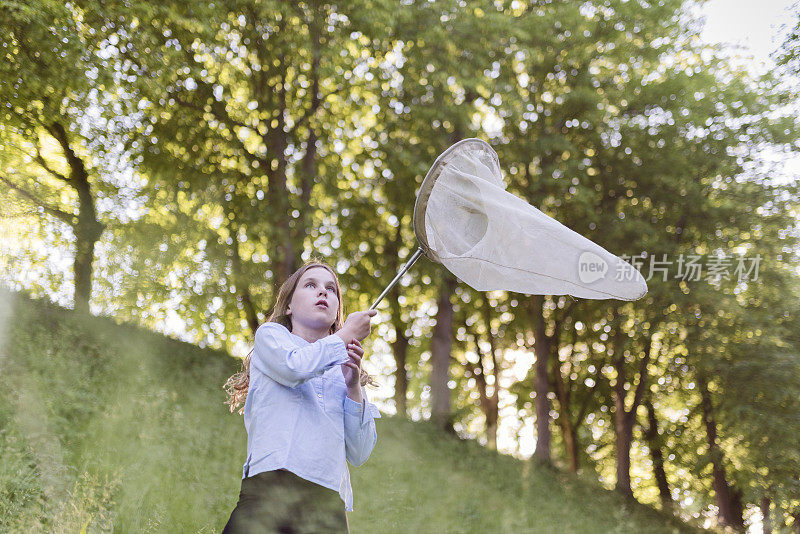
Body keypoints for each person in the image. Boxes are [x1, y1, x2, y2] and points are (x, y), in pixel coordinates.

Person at [222, 261, 382, 533]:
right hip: (270, 490)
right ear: (289, 306)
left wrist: (353, 387)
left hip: (326, 505)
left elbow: (359, 452)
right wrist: (346, 335)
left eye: (331, 289)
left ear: (336, 310)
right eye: (311, 285)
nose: (323, 292)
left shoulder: (344, 366)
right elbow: (294, 367)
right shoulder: (271, 336)